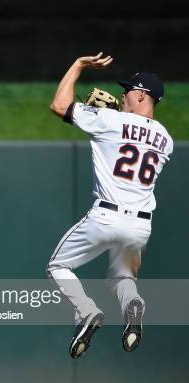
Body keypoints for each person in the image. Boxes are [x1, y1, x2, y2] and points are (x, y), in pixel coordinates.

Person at [47, 53, 174, 359]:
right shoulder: (166, 139)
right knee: (121, 278)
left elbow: (59, 106)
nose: (122, 93)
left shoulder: (109, 120)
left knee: (57, 266)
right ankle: (133, 304)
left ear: (142, 95)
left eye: (129, 89)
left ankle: (87, 312)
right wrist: (117, 117)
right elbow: (136, 133)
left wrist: (77, 65)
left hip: (105, 217)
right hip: (141, 227)